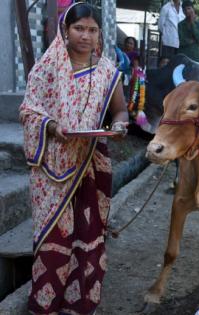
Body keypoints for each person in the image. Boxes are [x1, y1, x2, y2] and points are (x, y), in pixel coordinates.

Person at [19, 3, 128, 314]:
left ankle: (79, 304)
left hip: (90, 160)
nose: (86, 35)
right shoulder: (46, 68)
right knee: (54, 234)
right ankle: (45, 304)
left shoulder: (107, 70)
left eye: (92, 30)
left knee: (88, 232)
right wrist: (51, 127)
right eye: (79, 28)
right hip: (51, 166)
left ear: (99, 35)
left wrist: (119, 124)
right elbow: (28, 111)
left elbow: (119, 109)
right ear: (65, 31)